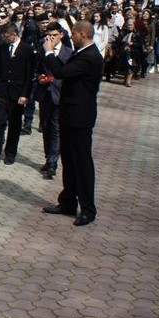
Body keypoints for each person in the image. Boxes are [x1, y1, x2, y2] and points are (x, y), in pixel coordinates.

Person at [41, 20, 103, 226]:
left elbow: (61, 72)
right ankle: (68, 201)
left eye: (73, 35)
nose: (71, 38)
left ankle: (88, 208)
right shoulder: (80, 53)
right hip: (69, 114)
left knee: (82, 162)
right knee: (68, 160)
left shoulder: (90, 56)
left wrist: (49, 52)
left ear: (82, 35)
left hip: (80, 117)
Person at [0, 24, 34, 166]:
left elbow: (29, 74)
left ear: (14, 34)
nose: (4, 39)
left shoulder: (27, 49)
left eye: (6, 37)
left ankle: (10, 154)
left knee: (15, 125)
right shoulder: (2, 48)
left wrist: (25, 94)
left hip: (17, 93)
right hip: (1, 92)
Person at [32, 23, 72, 179]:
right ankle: (48, 157)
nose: (50, 39)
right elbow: (36, 70)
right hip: (45, 94)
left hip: (59, 95)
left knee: (56, 128)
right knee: (46, 126)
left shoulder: (68, 53)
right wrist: (39, 78)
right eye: (48, 36)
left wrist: (54, 79)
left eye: (54, 35)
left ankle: (53, 163)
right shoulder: (42, 50)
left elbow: (66, 74)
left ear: (61, 35)